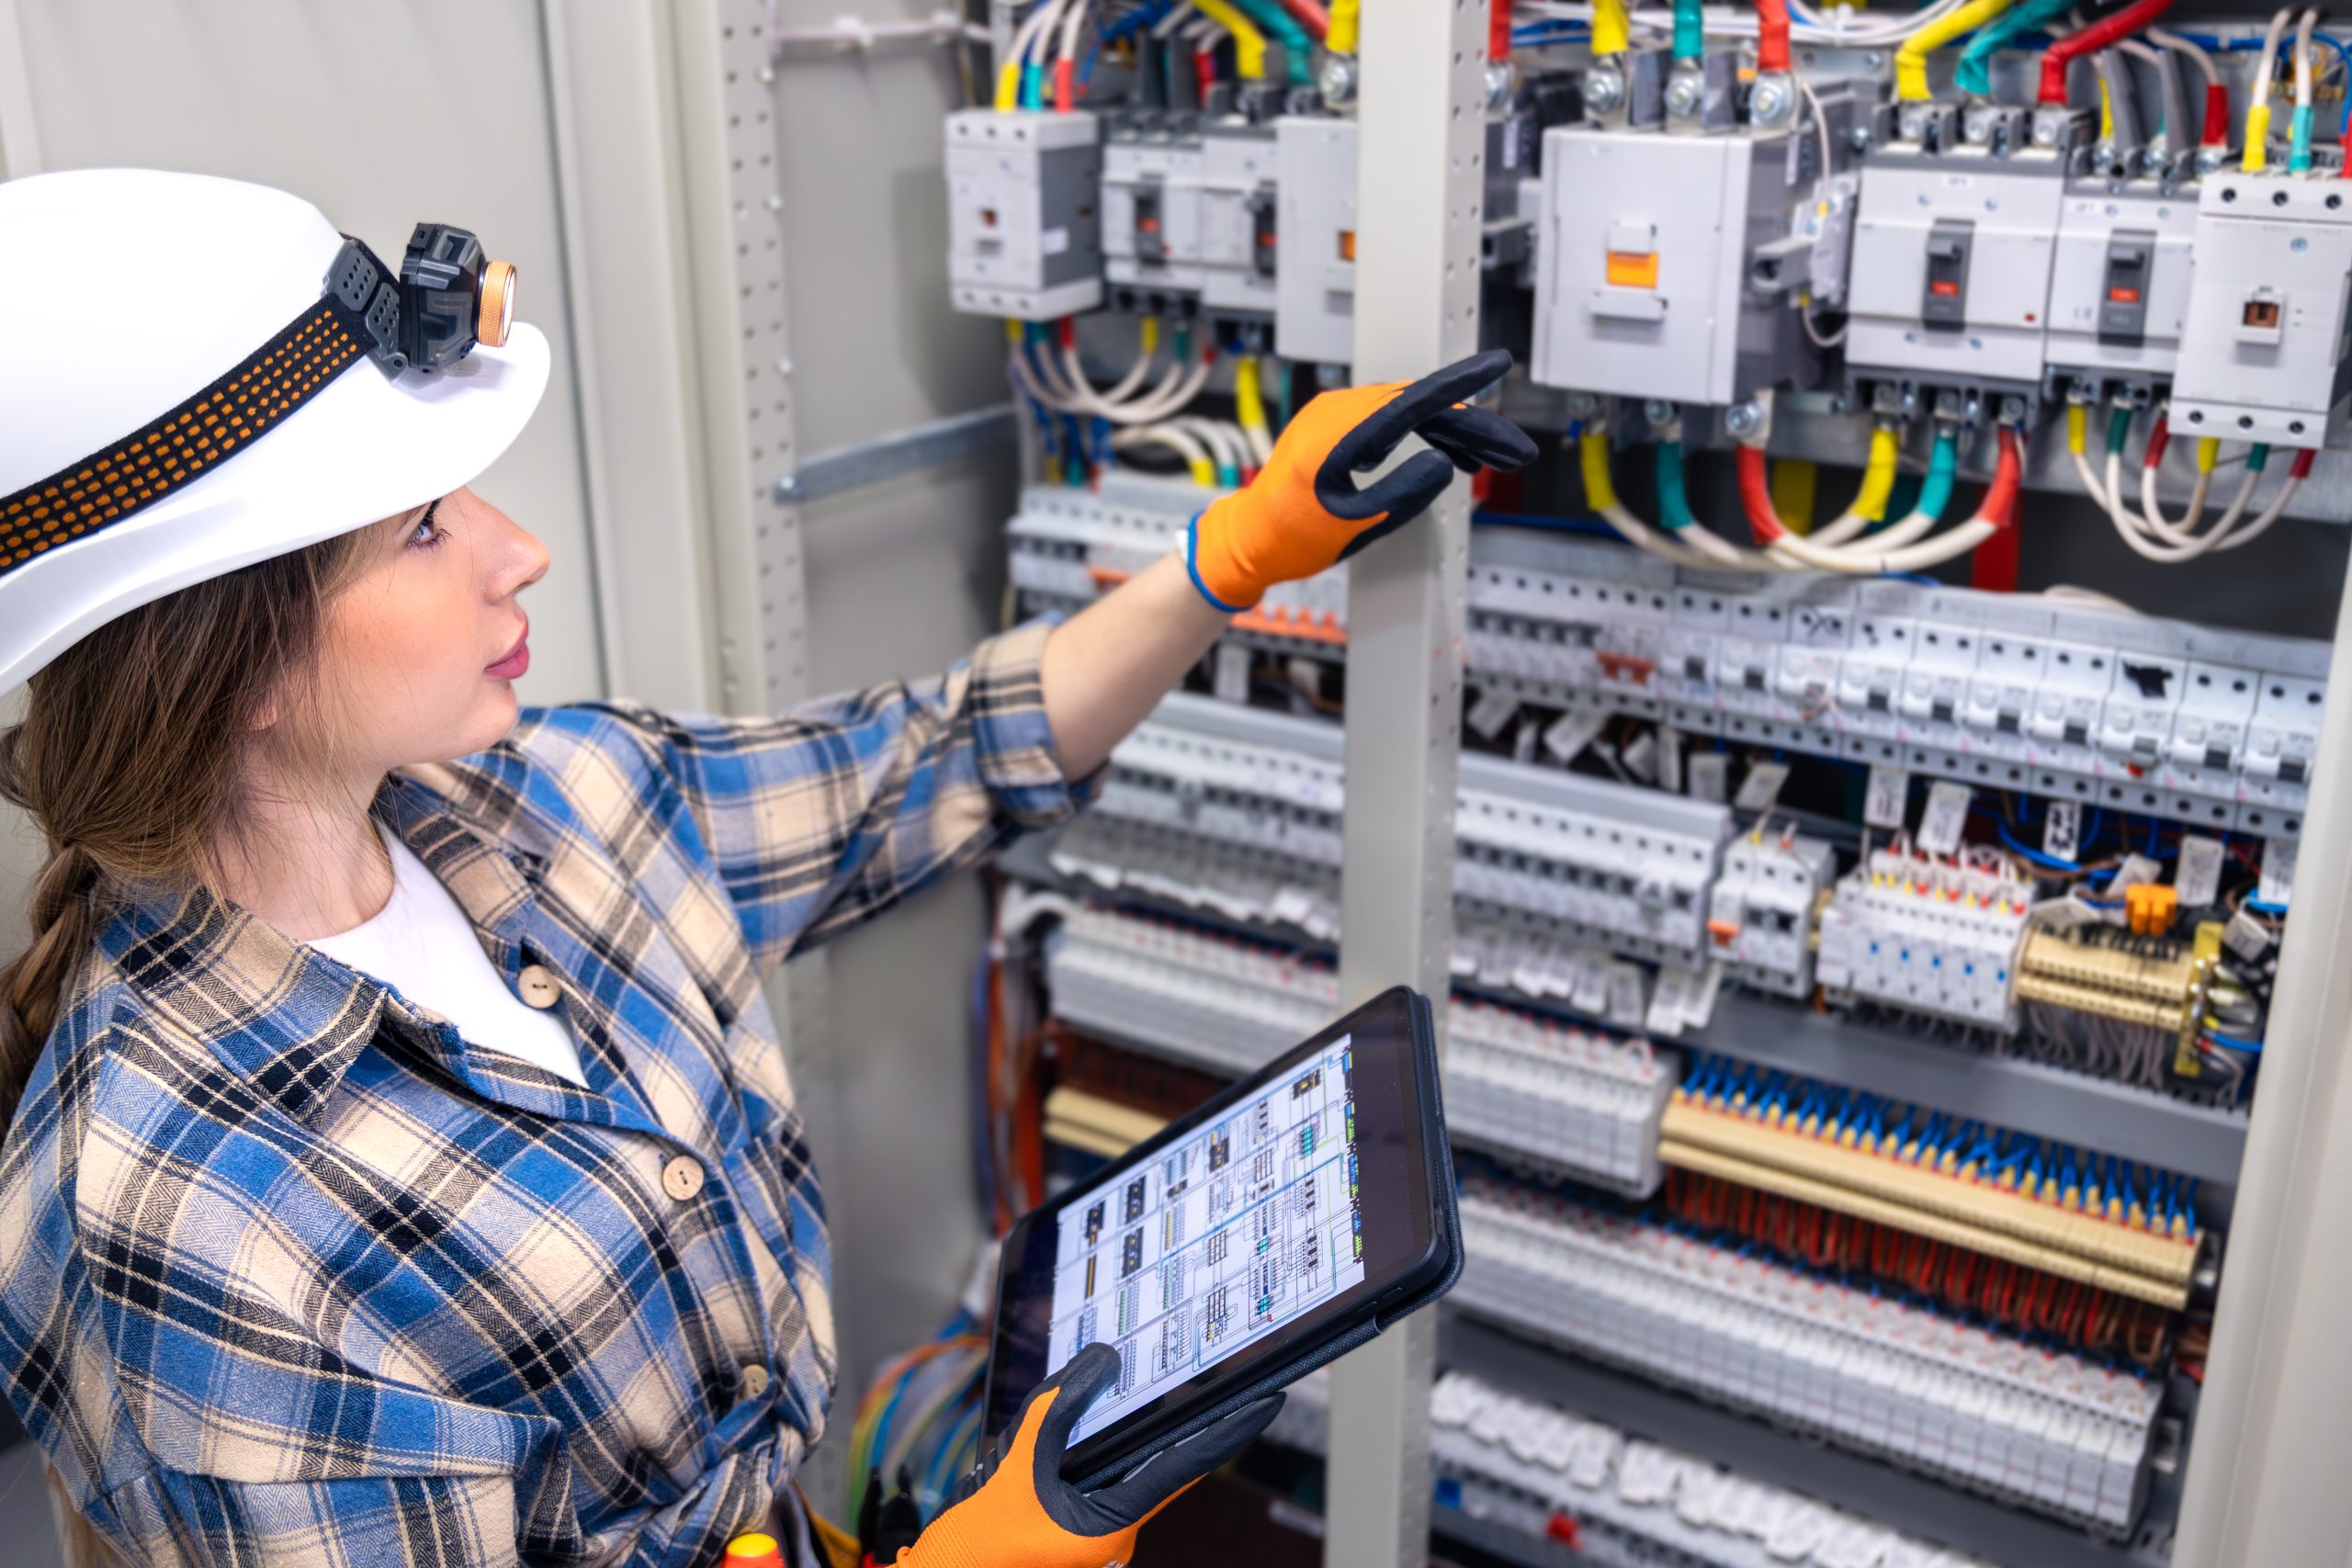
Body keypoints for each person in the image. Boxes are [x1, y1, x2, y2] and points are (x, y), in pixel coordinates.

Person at [0, 168, 1532, 1568]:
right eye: (418, 528)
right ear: (231, 662)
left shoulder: (555, 801)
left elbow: (936, 758)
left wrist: (1240, 551)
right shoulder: (173, 1222)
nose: (513, 549)